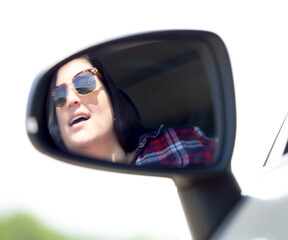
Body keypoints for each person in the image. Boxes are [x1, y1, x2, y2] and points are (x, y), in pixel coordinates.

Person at [48, 56, 215, 167]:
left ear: (111, 97)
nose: (70, 100)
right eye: (59, 96)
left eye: (84, 82)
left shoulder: (178, 144)